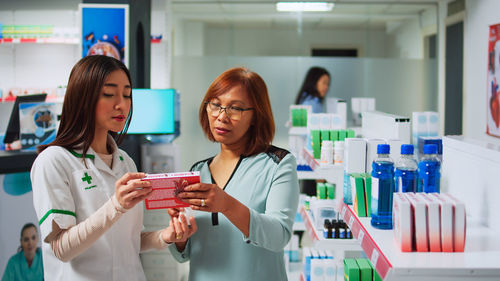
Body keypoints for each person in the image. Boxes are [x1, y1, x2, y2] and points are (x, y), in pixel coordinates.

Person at [30, 55, 196, 281]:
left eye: (127, 95)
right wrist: (116, 206)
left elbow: (128, 240)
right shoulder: (54, 161)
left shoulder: (125, 161)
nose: (122, 104)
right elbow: (61, 248)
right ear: (83, 98)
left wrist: (165, 236)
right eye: (109, 94)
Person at [167, 67, 299, 281]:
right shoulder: (197, 171)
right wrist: (180, 236)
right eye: (216, 105)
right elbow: (186, 254)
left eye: (235, 109)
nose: (221, 116)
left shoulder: (278, 163)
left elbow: (279, 236)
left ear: (256, 116)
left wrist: (227, 205)